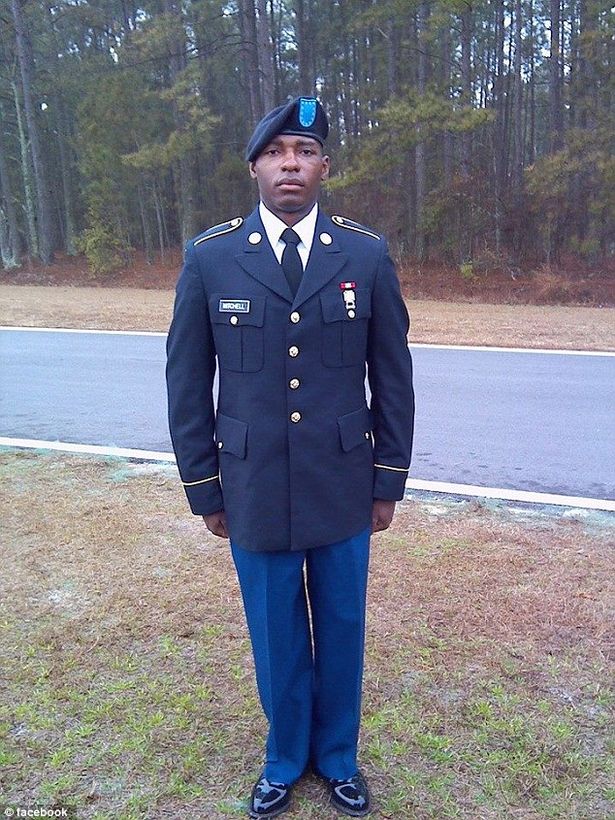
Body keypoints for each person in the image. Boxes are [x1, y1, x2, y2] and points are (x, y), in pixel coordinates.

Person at [166, 96, 414, 818]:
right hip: (253, 486)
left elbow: (392, 376)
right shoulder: (211, 258)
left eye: (304, 152)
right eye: (275, 153)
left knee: (340, 625)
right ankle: (283, 757)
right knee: (275, 633)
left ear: (324, 167)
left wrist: (387, 479)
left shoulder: (363, 255)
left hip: (342, 480)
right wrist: (204, 487)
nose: (290, 165)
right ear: (254, 168)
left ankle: (337, 757)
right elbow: (187, 381)